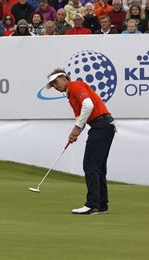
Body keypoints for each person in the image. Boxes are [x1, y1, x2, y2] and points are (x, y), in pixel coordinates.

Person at [45, 69, 116, 215]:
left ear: (64, 78)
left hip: (101, 125)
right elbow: (81, 117)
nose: (55, 86)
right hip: (104, 126)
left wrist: (77, 128)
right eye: (52, 85)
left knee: (90, 165)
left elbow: (88, 105)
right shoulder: (70, 96)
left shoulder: (75, 86)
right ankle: (102, 204)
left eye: (55, 82)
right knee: (98, 167)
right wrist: (75, 133)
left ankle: (92, 204)